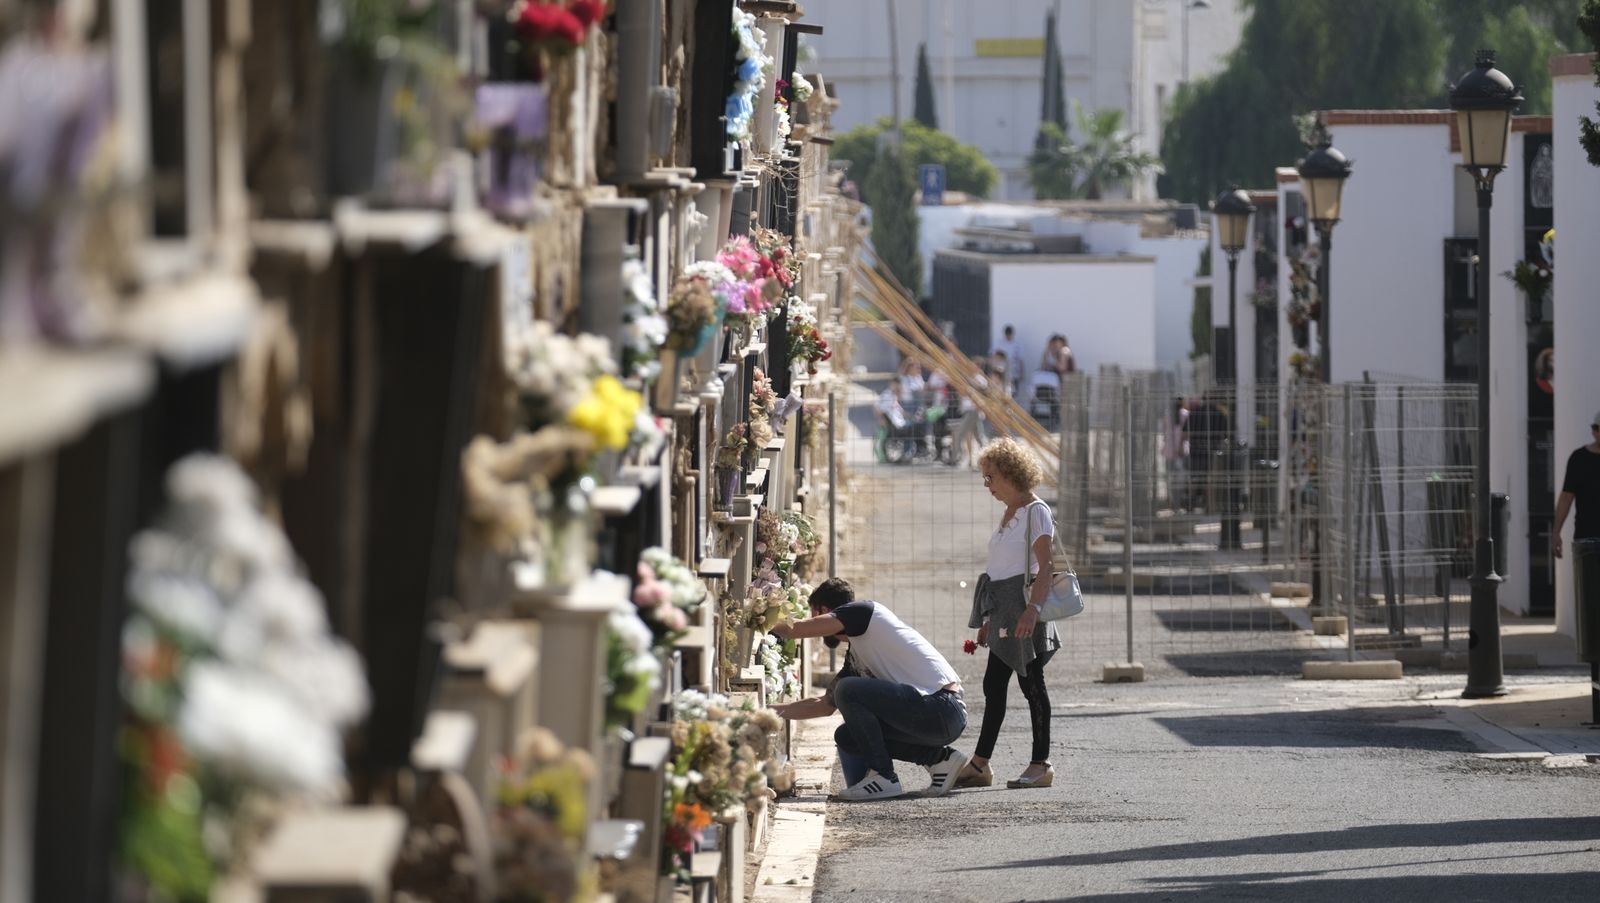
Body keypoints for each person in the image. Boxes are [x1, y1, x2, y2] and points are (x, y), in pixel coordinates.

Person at [769, 578, 969, 800]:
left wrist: (758, 615)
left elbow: (794, 629)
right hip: (938, 715)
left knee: (847, 689)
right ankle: (940, 759)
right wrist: (768, 710)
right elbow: (824, 705)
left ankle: (884, 777)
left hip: (942, 708)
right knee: (847, 736)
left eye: (812, 613)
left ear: (823, 611)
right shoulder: (857, 655)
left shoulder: (862, 611)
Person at [957, 437, 1062, 790]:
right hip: (1002, 611)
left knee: (1031, 684)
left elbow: (1046, 566)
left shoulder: (1036, 511)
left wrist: (1033, 610)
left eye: (991, 477)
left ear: (1012, 474)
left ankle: (1040, 764)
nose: (987, 484)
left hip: (1022, 609)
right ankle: (981, 764)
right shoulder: (1009, 514)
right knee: (993, 685)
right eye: (985, 477)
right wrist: (988, 620)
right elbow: (998, 569)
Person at [1553, 408, 1600, 560]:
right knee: (1588, 582)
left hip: (1585, 538)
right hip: (1586, 537)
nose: (1598, 432)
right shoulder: (1579, 458)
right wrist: (1556, 532)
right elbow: (1566, 497)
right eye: (1596, 428)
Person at [874, 378, 908, 463]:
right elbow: (878, 408)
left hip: (896, 422)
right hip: (889, 423)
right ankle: (883, 458)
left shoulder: (894, 396)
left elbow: (899, 410)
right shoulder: (886, 395)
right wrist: (882, 419)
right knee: (882, 440)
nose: (896, 387)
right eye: (895, 385)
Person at [1165, 397, 1190, 512]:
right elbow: (1185, 434)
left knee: (1171, 479)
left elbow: (1166, 435)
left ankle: (1172, 503)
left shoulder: (1168, 416)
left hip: (1169, 452)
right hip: (1182, 452)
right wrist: (1179, 447)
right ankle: (1178, 504)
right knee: (1181, 479)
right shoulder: (1185, 414)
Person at [993, 325, 1024, 397]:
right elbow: (994, 357)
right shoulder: (999, 343)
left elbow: (1021, 359)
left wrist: (1022, 373)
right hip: (1001, 372)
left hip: (1014, 371)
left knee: (1013, 392)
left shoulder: (1017, 344)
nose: (1008, 337)